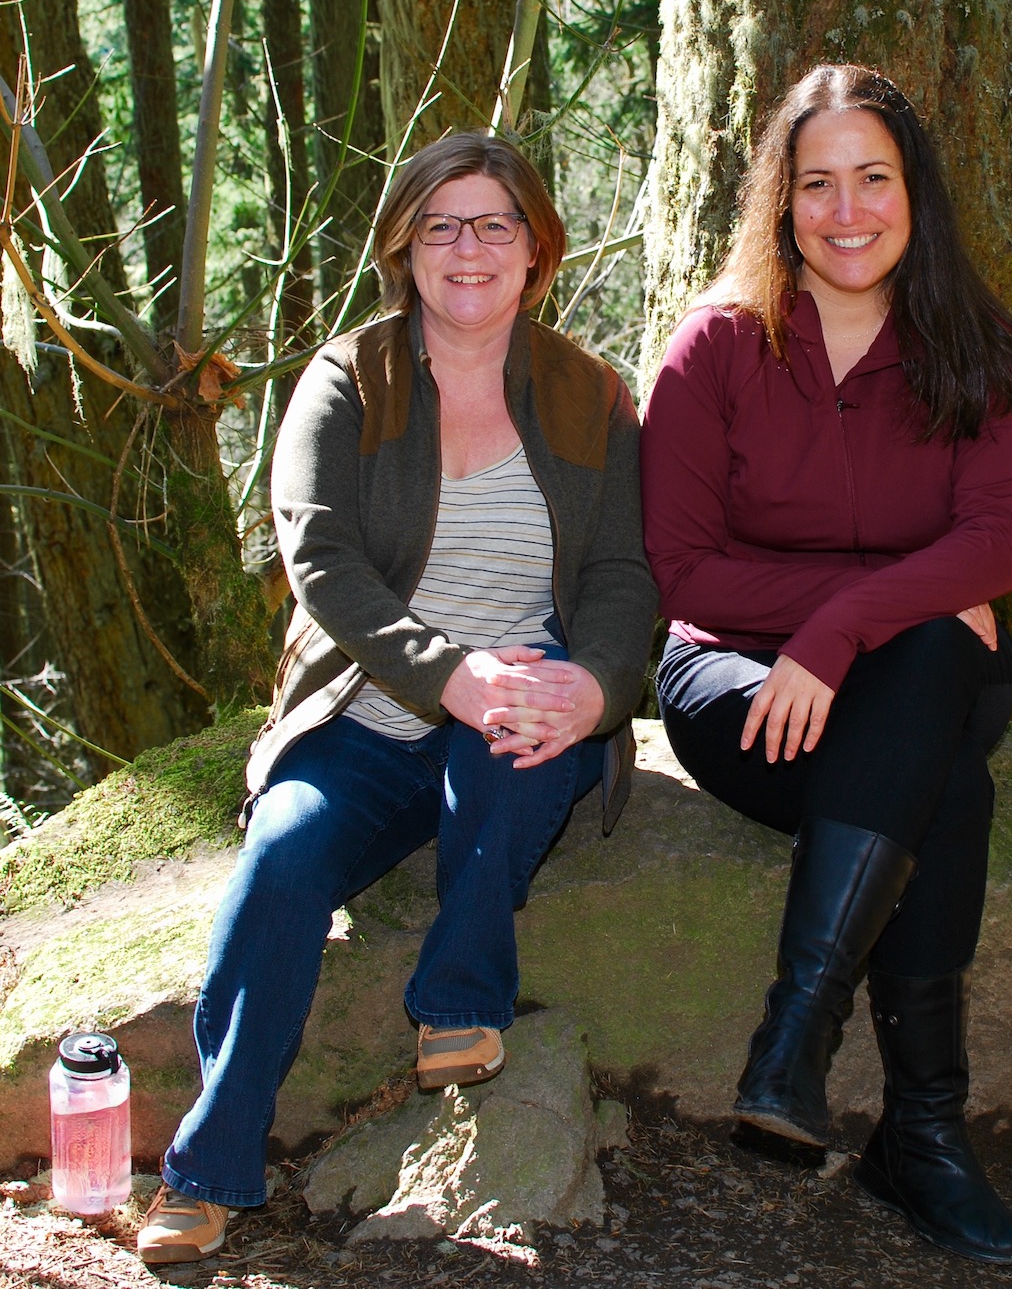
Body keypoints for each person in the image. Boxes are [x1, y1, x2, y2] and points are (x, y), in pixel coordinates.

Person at [137, 132, 657, 1265]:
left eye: (495, 225)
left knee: (515, 738)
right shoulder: (347, 379)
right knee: (280, 862)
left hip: (519, 703)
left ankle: (459, 996)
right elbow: (322, 562)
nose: (469, 249)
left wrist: (598, 688)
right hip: (366, 720)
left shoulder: (590, 393)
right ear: (405, 247)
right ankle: (209, 1169)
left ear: (536, 247)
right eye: (441, 226)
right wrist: (446, 674)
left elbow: (626, 573)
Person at [640, 65, 1012, 1265]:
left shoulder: (983, 352)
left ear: (916, 192)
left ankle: (797, 1038)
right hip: (740, 686)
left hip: (921, 674)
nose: (847, 208)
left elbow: (995, 545)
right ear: (781, 202)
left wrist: (851, 630)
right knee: (946, 775)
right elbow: (678, 569)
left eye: (873, 177)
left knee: (925, 661)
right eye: (817, 183)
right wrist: (843, 618)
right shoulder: (714, 348)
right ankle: (922, 1138)